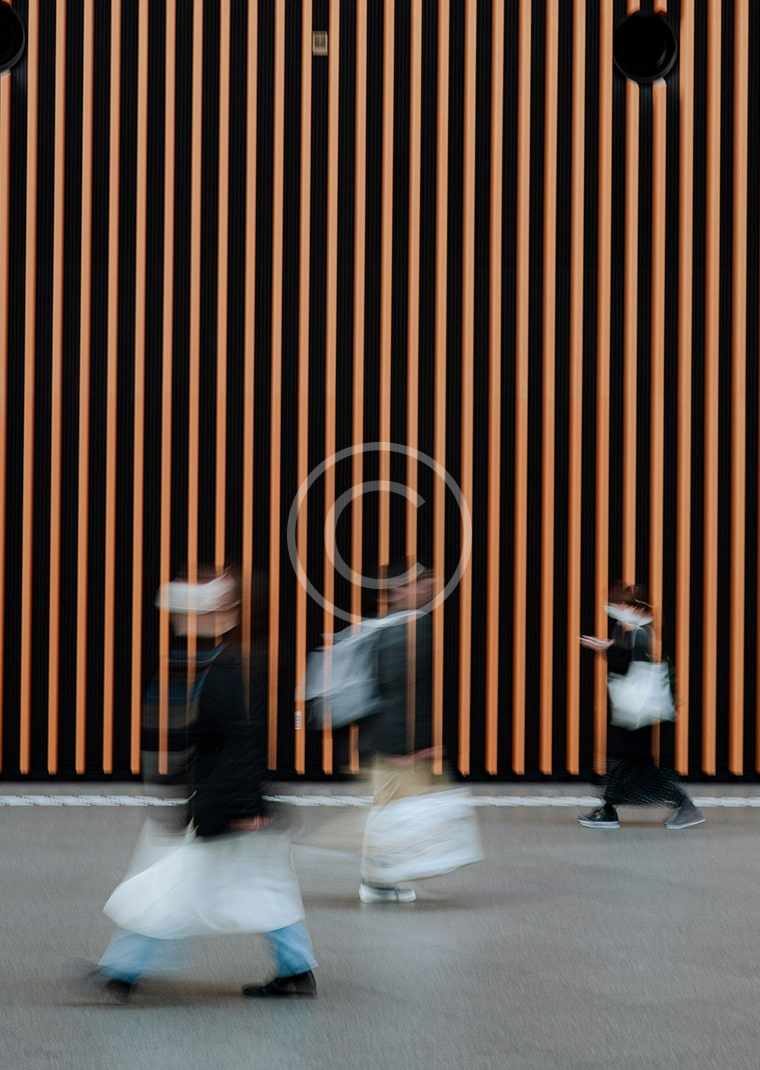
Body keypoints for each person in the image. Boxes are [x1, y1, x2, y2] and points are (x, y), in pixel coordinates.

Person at [88, 569, 317, 1001]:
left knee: (175, 886)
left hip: (231, 805)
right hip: (241, 803)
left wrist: (243, 808)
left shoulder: (227, 666)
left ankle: (123, 970)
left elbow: (240, 741)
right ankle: (296, 969)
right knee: (265, 888)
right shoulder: (234, 661)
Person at [358, 561, 482, 903]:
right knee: (393, 811)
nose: (428, 586)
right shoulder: (410, 629)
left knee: (389, 809)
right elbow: (404, 692)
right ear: (398, 590)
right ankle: (377, 881)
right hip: (397, 741)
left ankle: (379, 880)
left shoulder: (389, 626)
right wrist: (412, 745)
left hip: (385, 736)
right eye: (419, 581)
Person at [578, 583, 705, 831]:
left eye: (619, 605)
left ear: (634, 607)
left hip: (638, 714)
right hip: (637, 713)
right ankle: (609, 809)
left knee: (635, 766)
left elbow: (628, 664)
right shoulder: (640, 630)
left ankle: (682, 806)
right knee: (627, 764)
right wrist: (610, 647)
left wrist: (607, 649)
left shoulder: (643, 633)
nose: (614, 610)